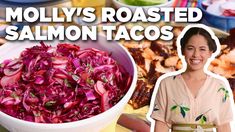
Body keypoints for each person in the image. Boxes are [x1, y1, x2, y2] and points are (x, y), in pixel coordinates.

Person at [148, 24, 234, 132]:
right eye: (190, 48)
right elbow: (161, 125)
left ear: (210, 52)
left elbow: (224, 126)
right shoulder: (167, 83)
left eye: (202, 49)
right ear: (183, 51)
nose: (196, 54)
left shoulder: (219, 86)